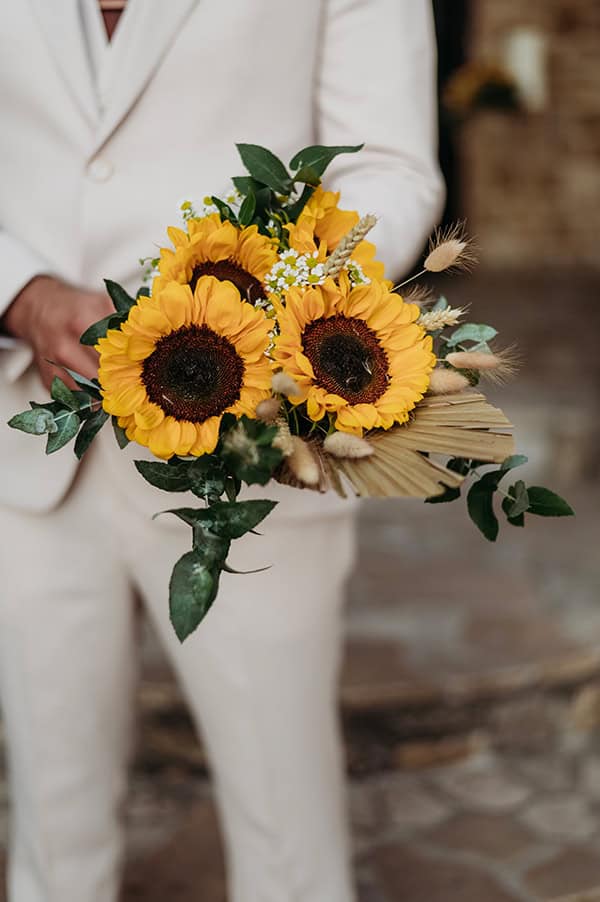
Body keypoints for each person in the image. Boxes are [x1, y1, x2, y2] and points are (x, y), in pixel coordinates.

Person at [0, 1, 444, 900]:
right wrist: (21, 292)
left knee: (287, 836)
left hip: (253, 455)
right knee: (51, 827)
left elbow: (390, 168)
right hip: (30, 434)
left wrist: (264, 316)